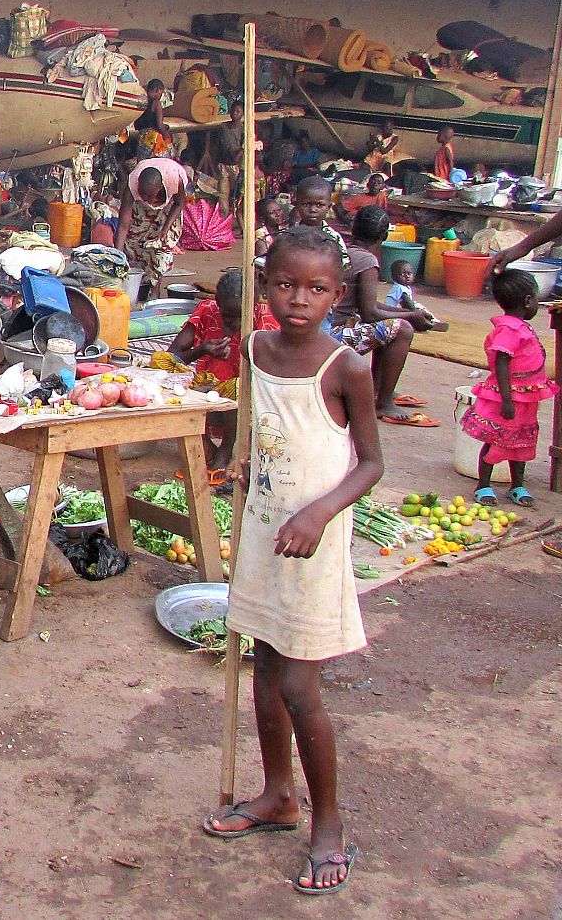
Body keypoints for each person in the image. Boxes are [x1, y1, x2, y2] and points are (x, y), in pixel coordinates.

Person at [203, 224, 381, 899]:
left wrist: (318, 512)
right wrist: (245, 465)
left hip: (314, 541)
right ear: (266, 286)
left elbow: (370, 463)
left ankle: (328, 824)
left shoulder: (347, 368)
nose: (297, 300)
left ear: (337, 293)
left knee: (302, 688)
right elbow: (262, 429)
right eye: (283, 285)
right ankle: (278, 795)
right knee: (265, 672)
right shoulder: (254, 348)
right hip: (263, 532)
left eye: (314, 289)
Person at [153, 267, 276, 483]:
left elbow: (272, 377)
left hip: (245, 402)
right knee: (158, 363)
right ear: (217, 304)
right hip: (207, 389)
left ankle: (225, 451)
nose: (233, 324)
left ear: (252, 308)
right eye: (227, 316)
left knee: (238, 386)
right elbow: (172, 355)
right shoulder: (207, 310)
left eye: (239, 318)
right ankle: (202, 442)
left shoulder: (266, 321)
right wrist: (203, 349)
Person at [328, 206, 436, 425]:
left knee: (392, 325)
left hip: (330, 328)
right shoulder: (367, 261)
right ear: (384, 236)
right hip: (333, 336)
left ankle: (379, 390)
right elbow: (370, 313)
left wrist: (411, 313)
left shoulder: (348, 253)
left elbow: (368, 306)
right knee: (401, 330)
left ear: (353, 228)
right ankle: (384, 401)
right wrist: (410, 318)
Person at [462, 269, 556, 507]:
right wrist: (506, 399)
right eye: (536, 298)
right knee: (496, 439)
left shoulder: (520, 327)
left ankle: (518, 484)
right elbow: (502, 361)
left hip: (525, 400)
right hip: (509, 398)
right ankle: (483, 484)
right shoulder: (510, 330)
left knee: (521, 441)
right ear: (527, 301)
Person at [115, 156, 189, 300]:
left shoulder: (175, 179)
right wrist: (118, 254)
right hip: (142, 211)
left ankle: (155, 291)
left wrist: (165, 229)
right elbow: (124, 225)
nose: (147, 198)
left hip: (169, 209)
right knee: (134, 243)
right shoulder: (132, 186)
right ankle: (141, 285)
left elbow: (179, 203)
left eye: (150, 194)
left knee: (161, 247)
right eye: (143, 194)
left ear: (160, 187)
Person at [291, 176, 348, 265]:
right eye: (306, 204)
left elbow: (344, 268)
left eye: (319, 205)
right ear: (297, 204)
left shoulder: (334, 238)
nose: (313, 209)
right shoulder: (288, 235)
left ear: (329, 207)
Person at [135, 79, 173, 157]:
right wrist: (167, 137)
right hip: (153, 139)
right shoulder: (156, 103)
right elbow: (159, 126)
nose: (160, 96)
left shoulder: (140, 101)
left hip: (141, 139)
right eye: (161, 93)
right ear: (157, 90)